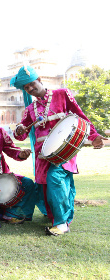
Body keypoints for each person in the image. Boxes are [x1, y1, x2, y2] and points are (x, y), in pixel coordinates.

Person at [11, 65, 108, 236]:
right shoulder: (29, 110)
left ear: (39, 80)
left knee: (55, 178)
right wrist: (19, 130)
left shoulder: (62, 94)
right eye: (26, 88)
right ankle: (56, 214)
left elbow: (81, 116)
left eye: (32, 84)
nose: (30, 89)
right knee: (45, 188)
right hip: (42, 155)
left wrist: (94, 136)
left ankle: (62, 223)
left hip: (64, 151)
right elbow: (21, 134)